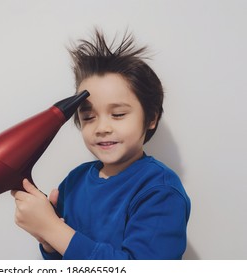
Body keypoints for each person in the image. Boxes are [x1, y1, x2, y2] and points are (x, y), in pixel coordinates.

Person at [11, 29, 191, 260]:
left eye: (117, 114)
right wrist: (48, 241)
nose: (101, 127)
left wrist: (53, 229)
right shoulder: (74, 181)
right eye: (88, 117)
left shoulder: (160, 190)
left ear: (151, 118)